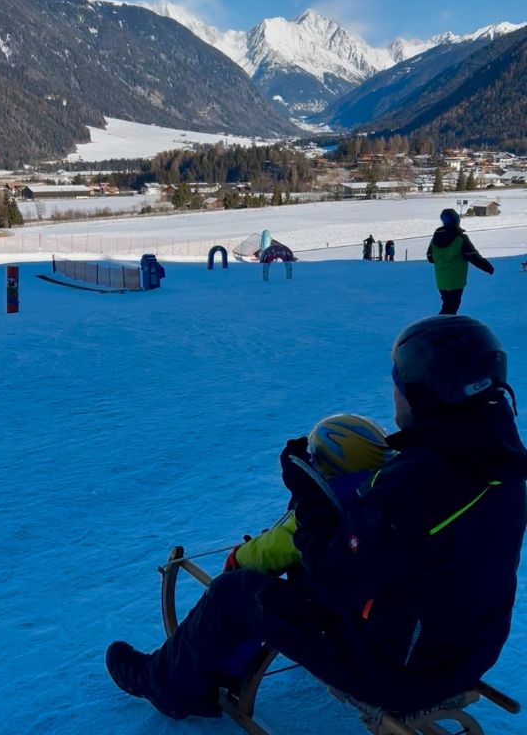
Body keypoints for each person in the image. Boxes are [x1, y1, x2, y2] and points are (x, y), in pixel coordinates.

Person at [106, 315, 526, 719]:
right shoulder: (495, 464)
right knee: (301, 572)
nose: (394, 394)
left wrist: (307, 491)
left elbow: (334, 582)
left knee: (234, 593)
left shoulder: (415, 484)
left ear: (425, 395)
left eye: (399, 385)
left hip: (399, 672)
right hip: (461, 652)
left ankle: (166, 687)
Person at [223, 414, 395, 575]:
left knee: (225, 589)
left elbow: (278, 544)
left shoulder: (326, 505)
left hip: (334, 599)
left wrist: (238, 557)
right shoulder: (393, 485)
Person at [427, 209, 494, 314]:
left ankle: (444, 327)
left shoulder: (435, 238)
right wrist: (488, 267)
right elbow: (473, 256)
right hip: (456, 280)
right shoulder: (460, 238)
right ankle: (442, 328)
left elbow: (430, 257)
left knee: (448, 305)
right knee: (451, 308)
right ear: (456, 220)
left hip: (441, 281)